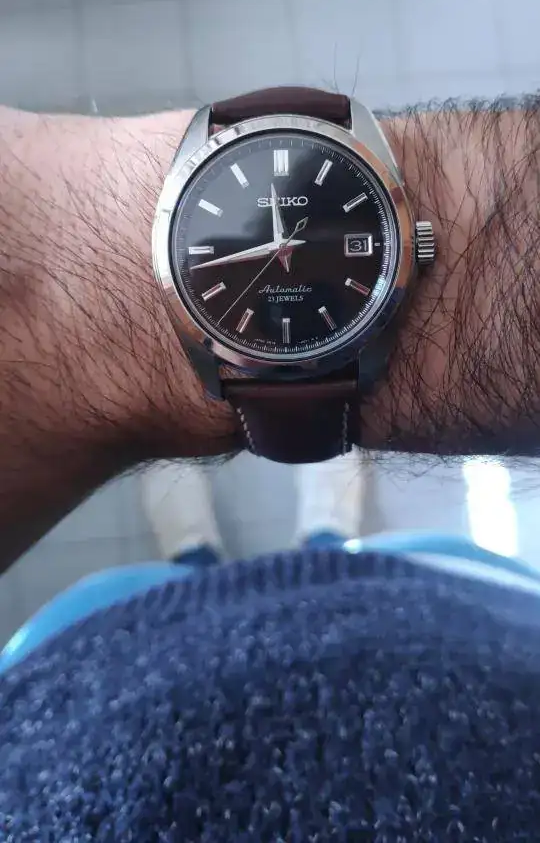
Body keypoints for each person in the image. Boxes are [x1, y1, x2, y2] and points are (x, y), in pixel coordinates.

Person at [0, 98, 539, 840]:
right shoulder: (226, 251)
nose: (284, 249)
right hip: (467, 632)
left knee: (176, 583)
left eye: (291, 241)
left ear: (415, 244)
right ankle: (324, 532)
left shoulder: (371, 247)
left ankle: (202, 548)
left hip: (118, 652)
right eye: (275, 241)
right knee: (340, 555)